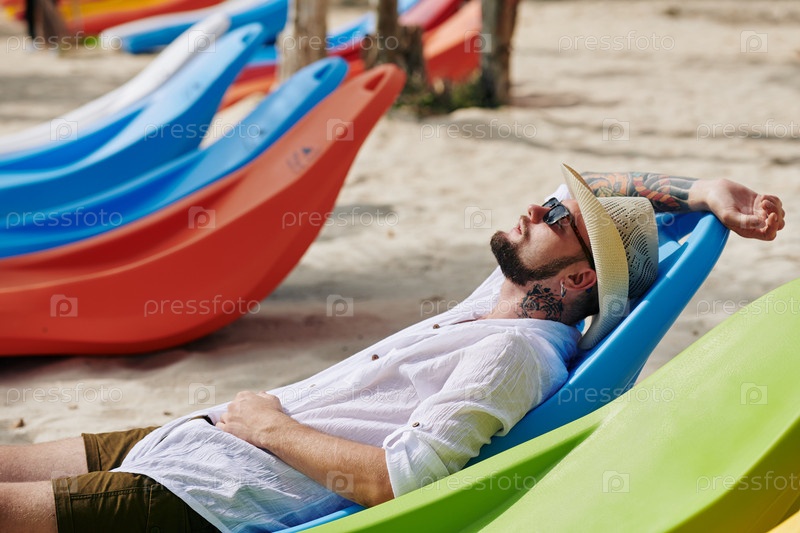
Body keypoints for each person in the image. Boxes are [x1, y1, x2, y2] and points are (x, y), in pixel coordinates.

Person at [0, 166, 784, 533]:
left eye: (555, 218)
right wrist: (701, 192)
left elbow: (396, 481)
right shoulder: (505, 295)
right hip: (203, 435)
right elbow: (597, 185)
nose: (535, 207)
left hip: (211, 494)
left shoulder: (518, 354)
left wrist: (270, 426)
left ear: (578, 277)